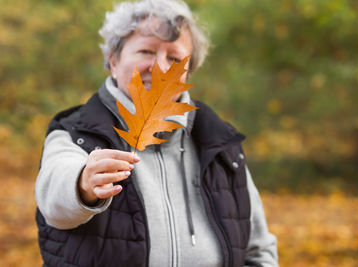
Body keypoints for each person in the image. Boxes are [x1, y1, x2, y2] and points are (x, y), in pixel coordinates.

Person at [35, 0, 279, 266]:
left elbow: (258, 249)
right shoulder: (76, 132)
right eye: (146, 51)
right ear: (114, 61)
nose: (160, 67)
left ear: (188, 71)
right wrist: (82, 183)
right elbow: (53, 199)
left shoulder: (220, 143)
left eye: (174, 58)